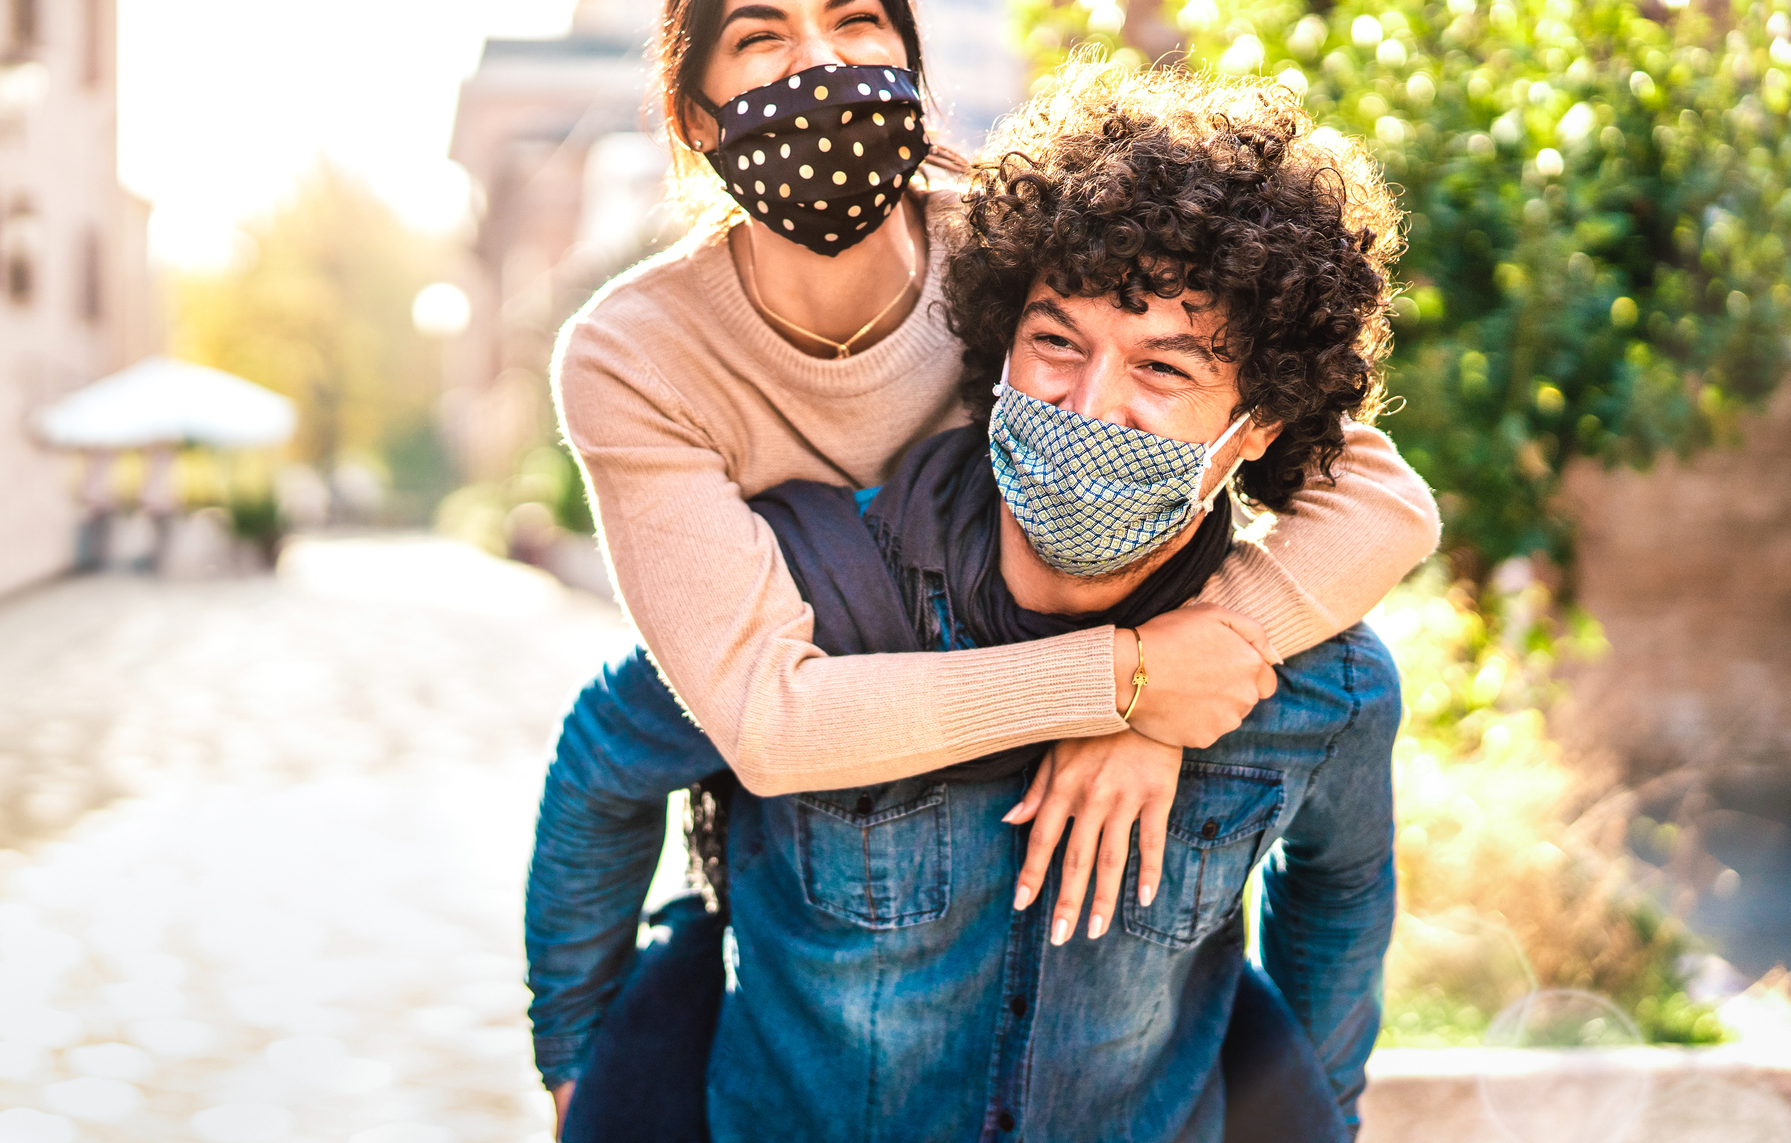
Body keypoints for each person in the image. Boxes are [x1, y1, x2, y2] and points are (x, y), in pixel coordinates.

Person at [528, 61, 1414, 1141]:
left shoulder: (1320, 682)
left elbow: (1341, 885)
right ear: (996, 348)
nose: (1090, 406)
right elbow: (601, 764)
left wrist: (1321, 1104)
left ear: (1260, 424)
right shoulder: (813, 600)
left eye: (1163, 370)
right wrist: (577, 1056)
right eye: (1056, 342)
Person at [551, 0, 1437, 803]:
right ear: (695, 115)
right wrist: (1120, 684)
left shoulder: (1019, 250)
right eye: (760, 37)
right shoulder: (633, 356)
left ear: (906, 60)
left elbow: (1378, 497)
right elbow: (771, 723)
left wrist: (1191, 669)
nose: (820, 61)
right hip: (813, 801)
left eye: (856, 20)